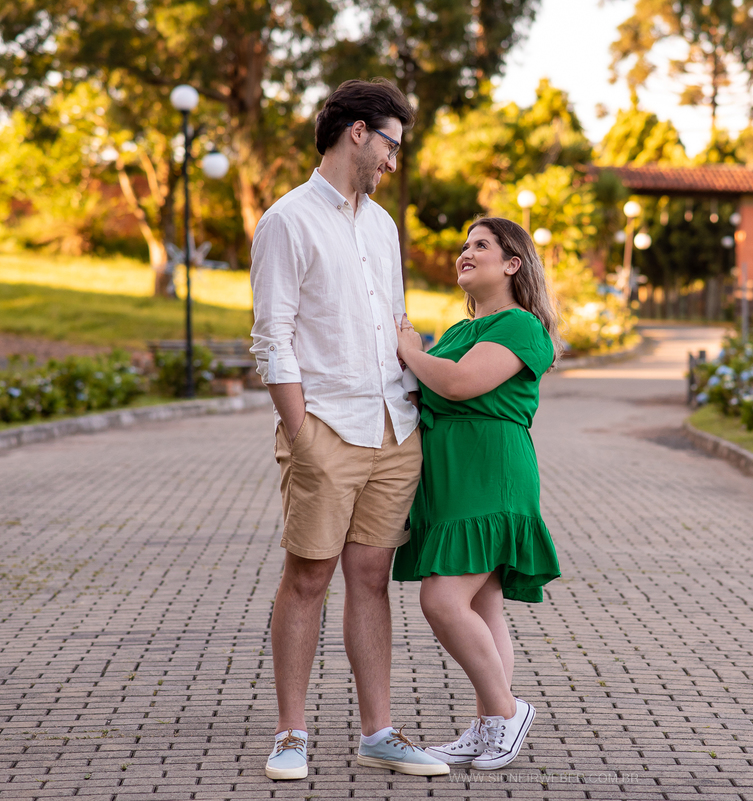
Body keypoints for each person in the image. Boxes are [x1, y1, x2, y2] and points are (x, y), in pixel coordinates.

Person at [249, 78, 449, 780]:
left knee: (371, 578)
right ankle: (291, 733)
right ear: (357, 132)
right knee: (308, 575)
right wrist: (301, 431)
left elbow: (394, 321)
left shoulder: (383, 225)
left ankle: (378, 732)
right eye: (391, 145)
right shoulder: (287, 221)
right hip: (327, 427)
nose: (394, 161)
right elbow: (272, 336)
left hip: (394, 426)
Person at [392, 217, 563, 771]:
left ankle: (507, 711)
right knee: (484, 605)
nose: (466, 252)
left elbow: (459, 384)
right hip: (451, 481)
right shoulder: (457, 333)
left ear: (513, 264)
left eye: (481, 245)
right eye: (464, 245)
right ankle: (489, 726)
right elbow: (427, 395)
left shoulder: (521, 325)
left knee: (442, 600)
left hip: (492, 475)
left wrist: (410, 351)